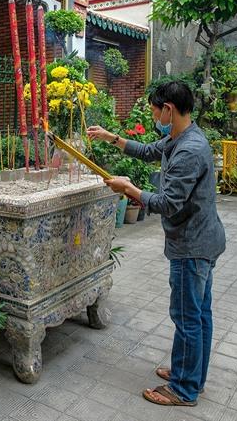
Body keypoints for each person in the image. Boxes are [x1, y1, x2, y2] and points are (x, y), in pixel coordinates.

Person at [87, 80, 226, 407]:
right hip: (203, 240)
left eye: (155, 110)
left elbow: (167, 202)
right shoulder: (182, 137)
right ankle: (190, 373)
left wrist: (130, 189)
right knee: (199, 314)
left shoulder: (189, 150)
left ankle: (184, 389)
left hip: (193, 247)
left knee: (188, 317)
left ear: (168, 109)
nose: (154, 117)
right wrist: (112, 138)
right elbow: (150, 150)